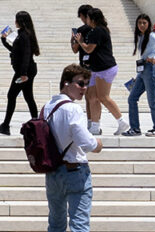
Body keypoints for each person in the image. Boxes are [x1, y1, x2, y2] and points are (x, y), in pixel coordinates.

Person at [42, 65, 102, 232]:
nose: (84, 88)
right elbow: (86, 142)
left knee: (55, 224)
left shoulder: (47, 107)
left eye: (86, 84)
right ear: (66, 83)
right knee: (79, 226)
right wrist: (98, 144)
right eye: (80, 83)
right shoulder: (73, 108)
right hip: (75, 170)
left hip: (53, 172)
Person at [72, 8, 124, 136]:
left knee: (103, 97)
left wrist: (80, 42)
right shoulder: (98, 30)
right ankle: (94, 126)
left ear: (92, 19)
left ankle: (122, 122)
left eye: (88, 18)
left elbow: (89, 49)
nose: (86, 21)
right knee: (92, 97)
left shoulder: (98, 31)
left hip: (104, 68)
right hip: (96, 69)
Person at [0, 10, 39, 136]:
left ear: (20, 21)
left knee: (12, 95)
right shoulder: (23, 34)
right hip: (27, 70)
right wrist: (4, 42)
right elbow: (17, 52)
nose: (15, 22)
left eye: (16, 19)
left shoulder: (24, 35)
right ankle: (37, 124)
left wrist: (23, 74)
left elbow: (26, 55)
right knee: (28, 97)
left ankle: (6, 126)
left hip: (24, 72)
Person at [125, 14, 155, 136]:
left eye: (144, 23)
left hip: (150, 69)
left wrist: (152, 55)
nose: (142, 25)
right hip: (143, 69)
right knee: (132, 98)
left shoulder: (152, 35)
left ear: (148, 24)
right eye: (139, 23)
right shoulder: (140, 36)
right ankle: (135, 128)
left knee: (152, 100)